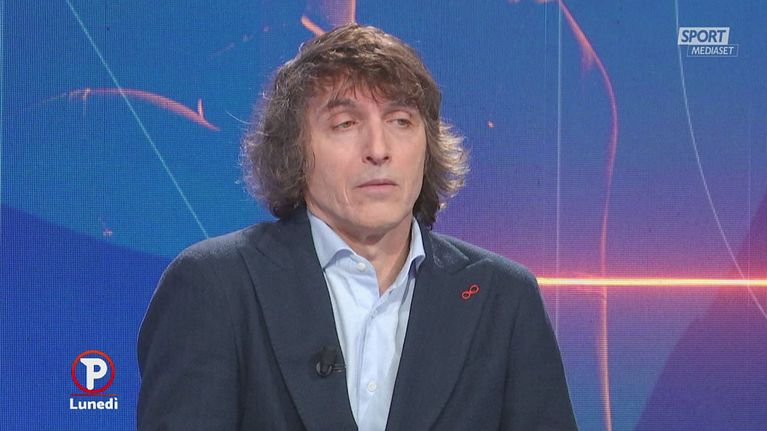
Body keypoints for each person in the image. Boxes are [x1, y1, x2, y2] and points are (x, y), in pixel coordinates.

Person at [137, 23, 577, 430]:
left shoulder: (503, 297)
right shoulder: (215, 286)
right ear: (295, 151)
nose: (379, 149)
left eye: (400, 121)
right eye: (345, 124)